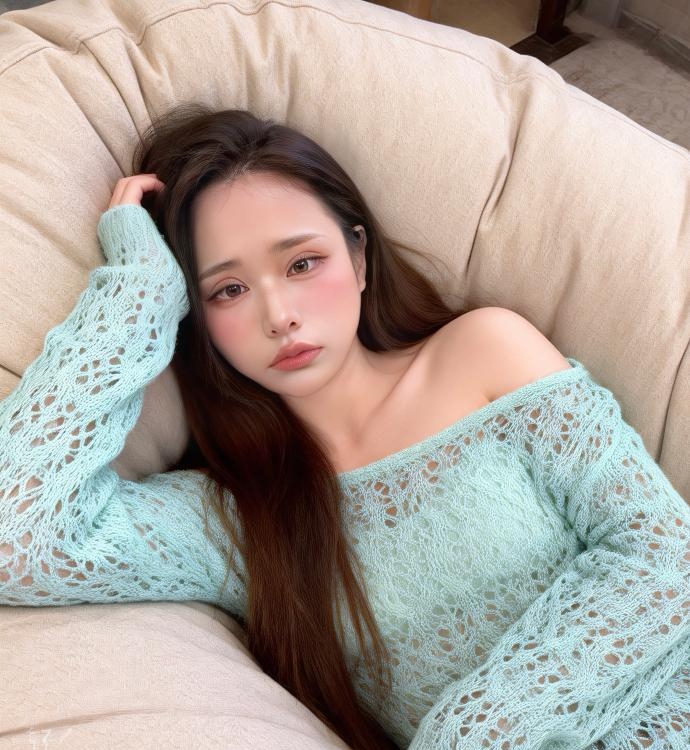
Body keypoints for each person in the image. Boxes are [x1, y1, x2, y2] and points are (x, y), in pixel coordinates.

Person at [1, 102, 688, 750]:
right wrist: (134, 291)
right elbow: (17, 542)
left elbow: (664, 554)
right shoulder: (234, 518)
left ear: (358, 257)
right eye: (228, 289)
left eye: (302, 263)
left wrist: (473, 731)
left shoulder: (484, 352)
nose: (279, 315)